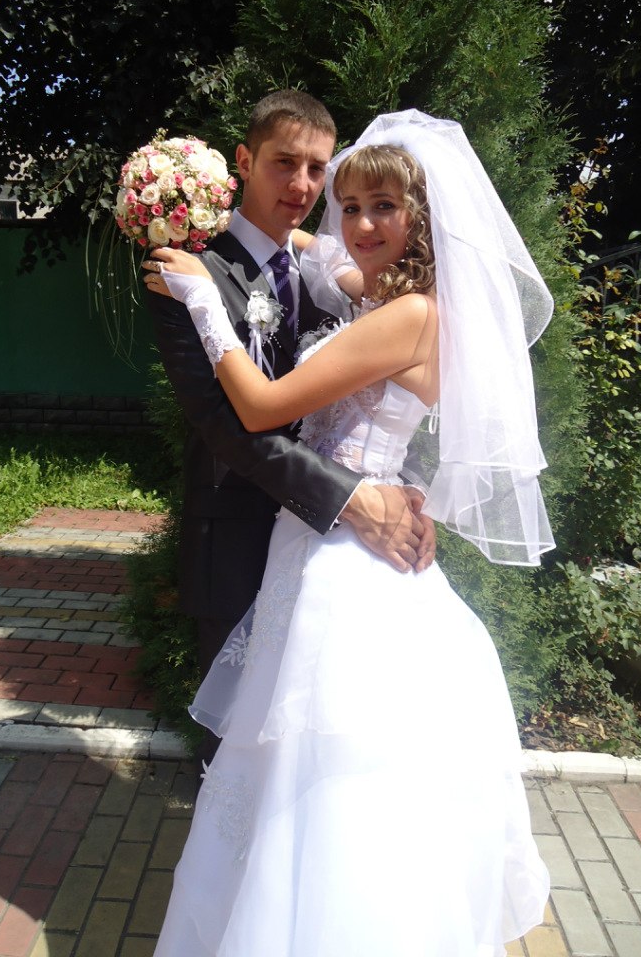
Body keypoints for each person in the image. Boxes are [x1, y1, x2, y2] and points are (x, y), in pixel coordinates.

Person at [145, 110, 555, 956]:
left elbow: (263, 407)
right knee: (297, 769)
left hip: (343, 560)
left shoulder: (408, 317)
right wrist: (263, 237)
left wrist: (203, 301)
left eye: (384, 208)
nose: (358, 224)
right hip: (322, 540)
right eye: (352, 205)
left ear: (422, 219)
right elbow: (320, 259)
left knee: (323, 772)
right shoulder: (388, 298)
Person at [144, 90, 435, 693]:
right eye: (285, 162)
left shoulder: (342, 280)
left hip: (338, 546)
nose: (303, 185)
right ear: (244, 161)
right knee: (242, 734)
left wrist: (406, 492)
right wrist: (354, 498)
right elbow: (225, 426)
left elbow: (381, 407)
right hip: (238, 539)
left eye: (317, 168)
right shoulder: (189, 271)